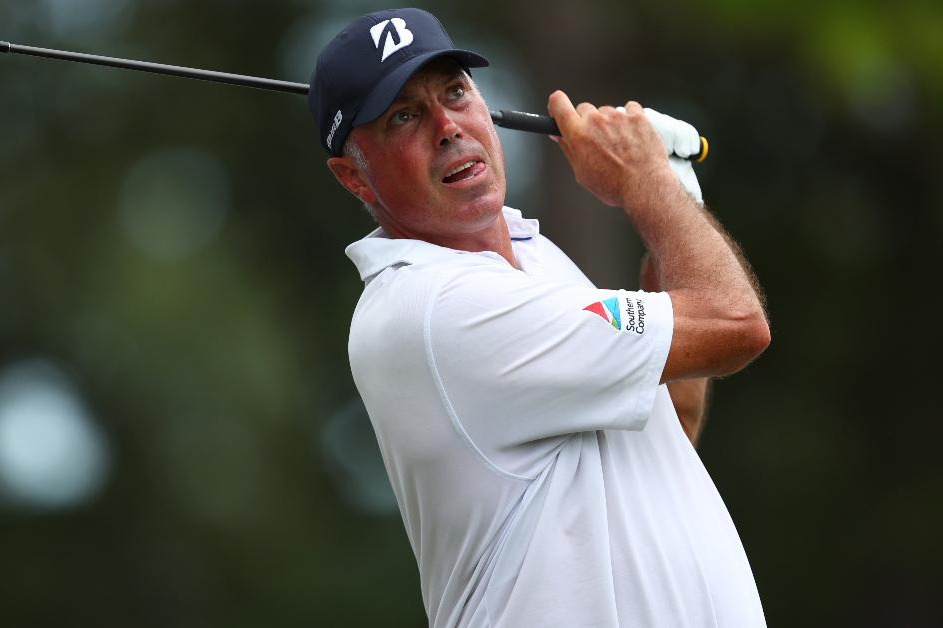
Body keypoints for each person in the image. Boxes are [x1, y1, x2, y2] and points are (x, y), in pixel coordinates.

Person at [308, 8, 770, 628]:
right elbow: (735, 325)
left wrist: (672, 201)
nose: (448, 127)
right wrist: (645, 184)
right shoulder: (430, 307)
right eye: (404, 116)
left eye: (454, 92)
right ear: (353, 177)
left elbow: (671, 421)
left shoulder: (534, 258)